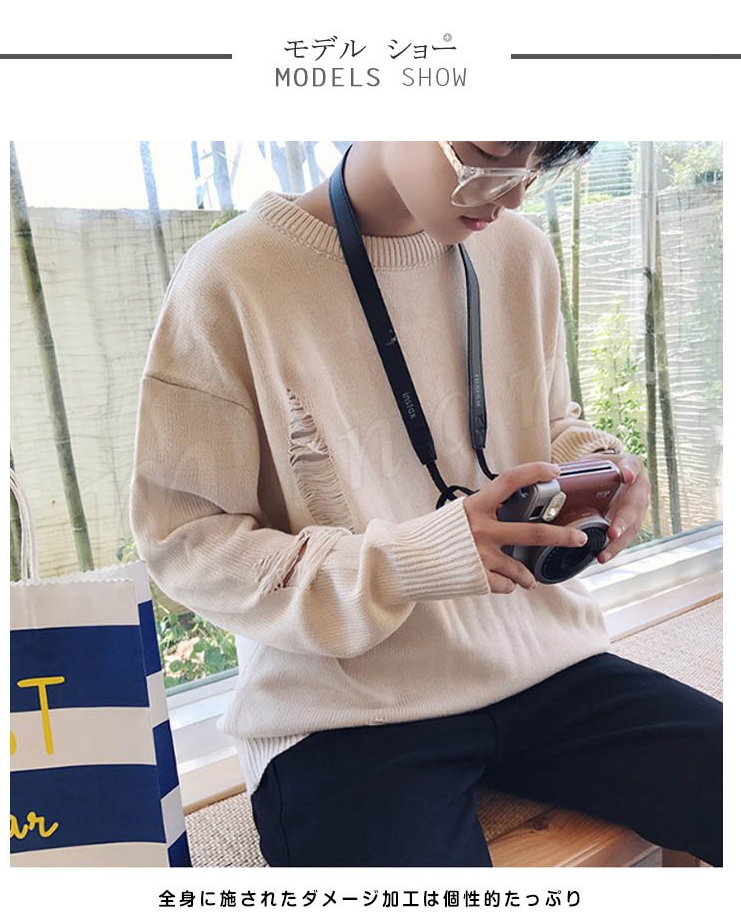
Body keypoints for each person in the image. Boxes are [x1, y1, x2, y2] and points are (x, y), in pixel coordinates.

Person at [129, 141, 722, 867]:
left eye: (539, 163)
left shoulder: (519, 250)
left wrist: (600, 467)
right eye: (491, 155)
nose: (512, 195)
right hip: (342, 712)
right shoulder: (231, 277)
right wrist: (409, 561)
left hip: (545, 662)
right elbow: (187, 543)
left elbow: (543, 422)